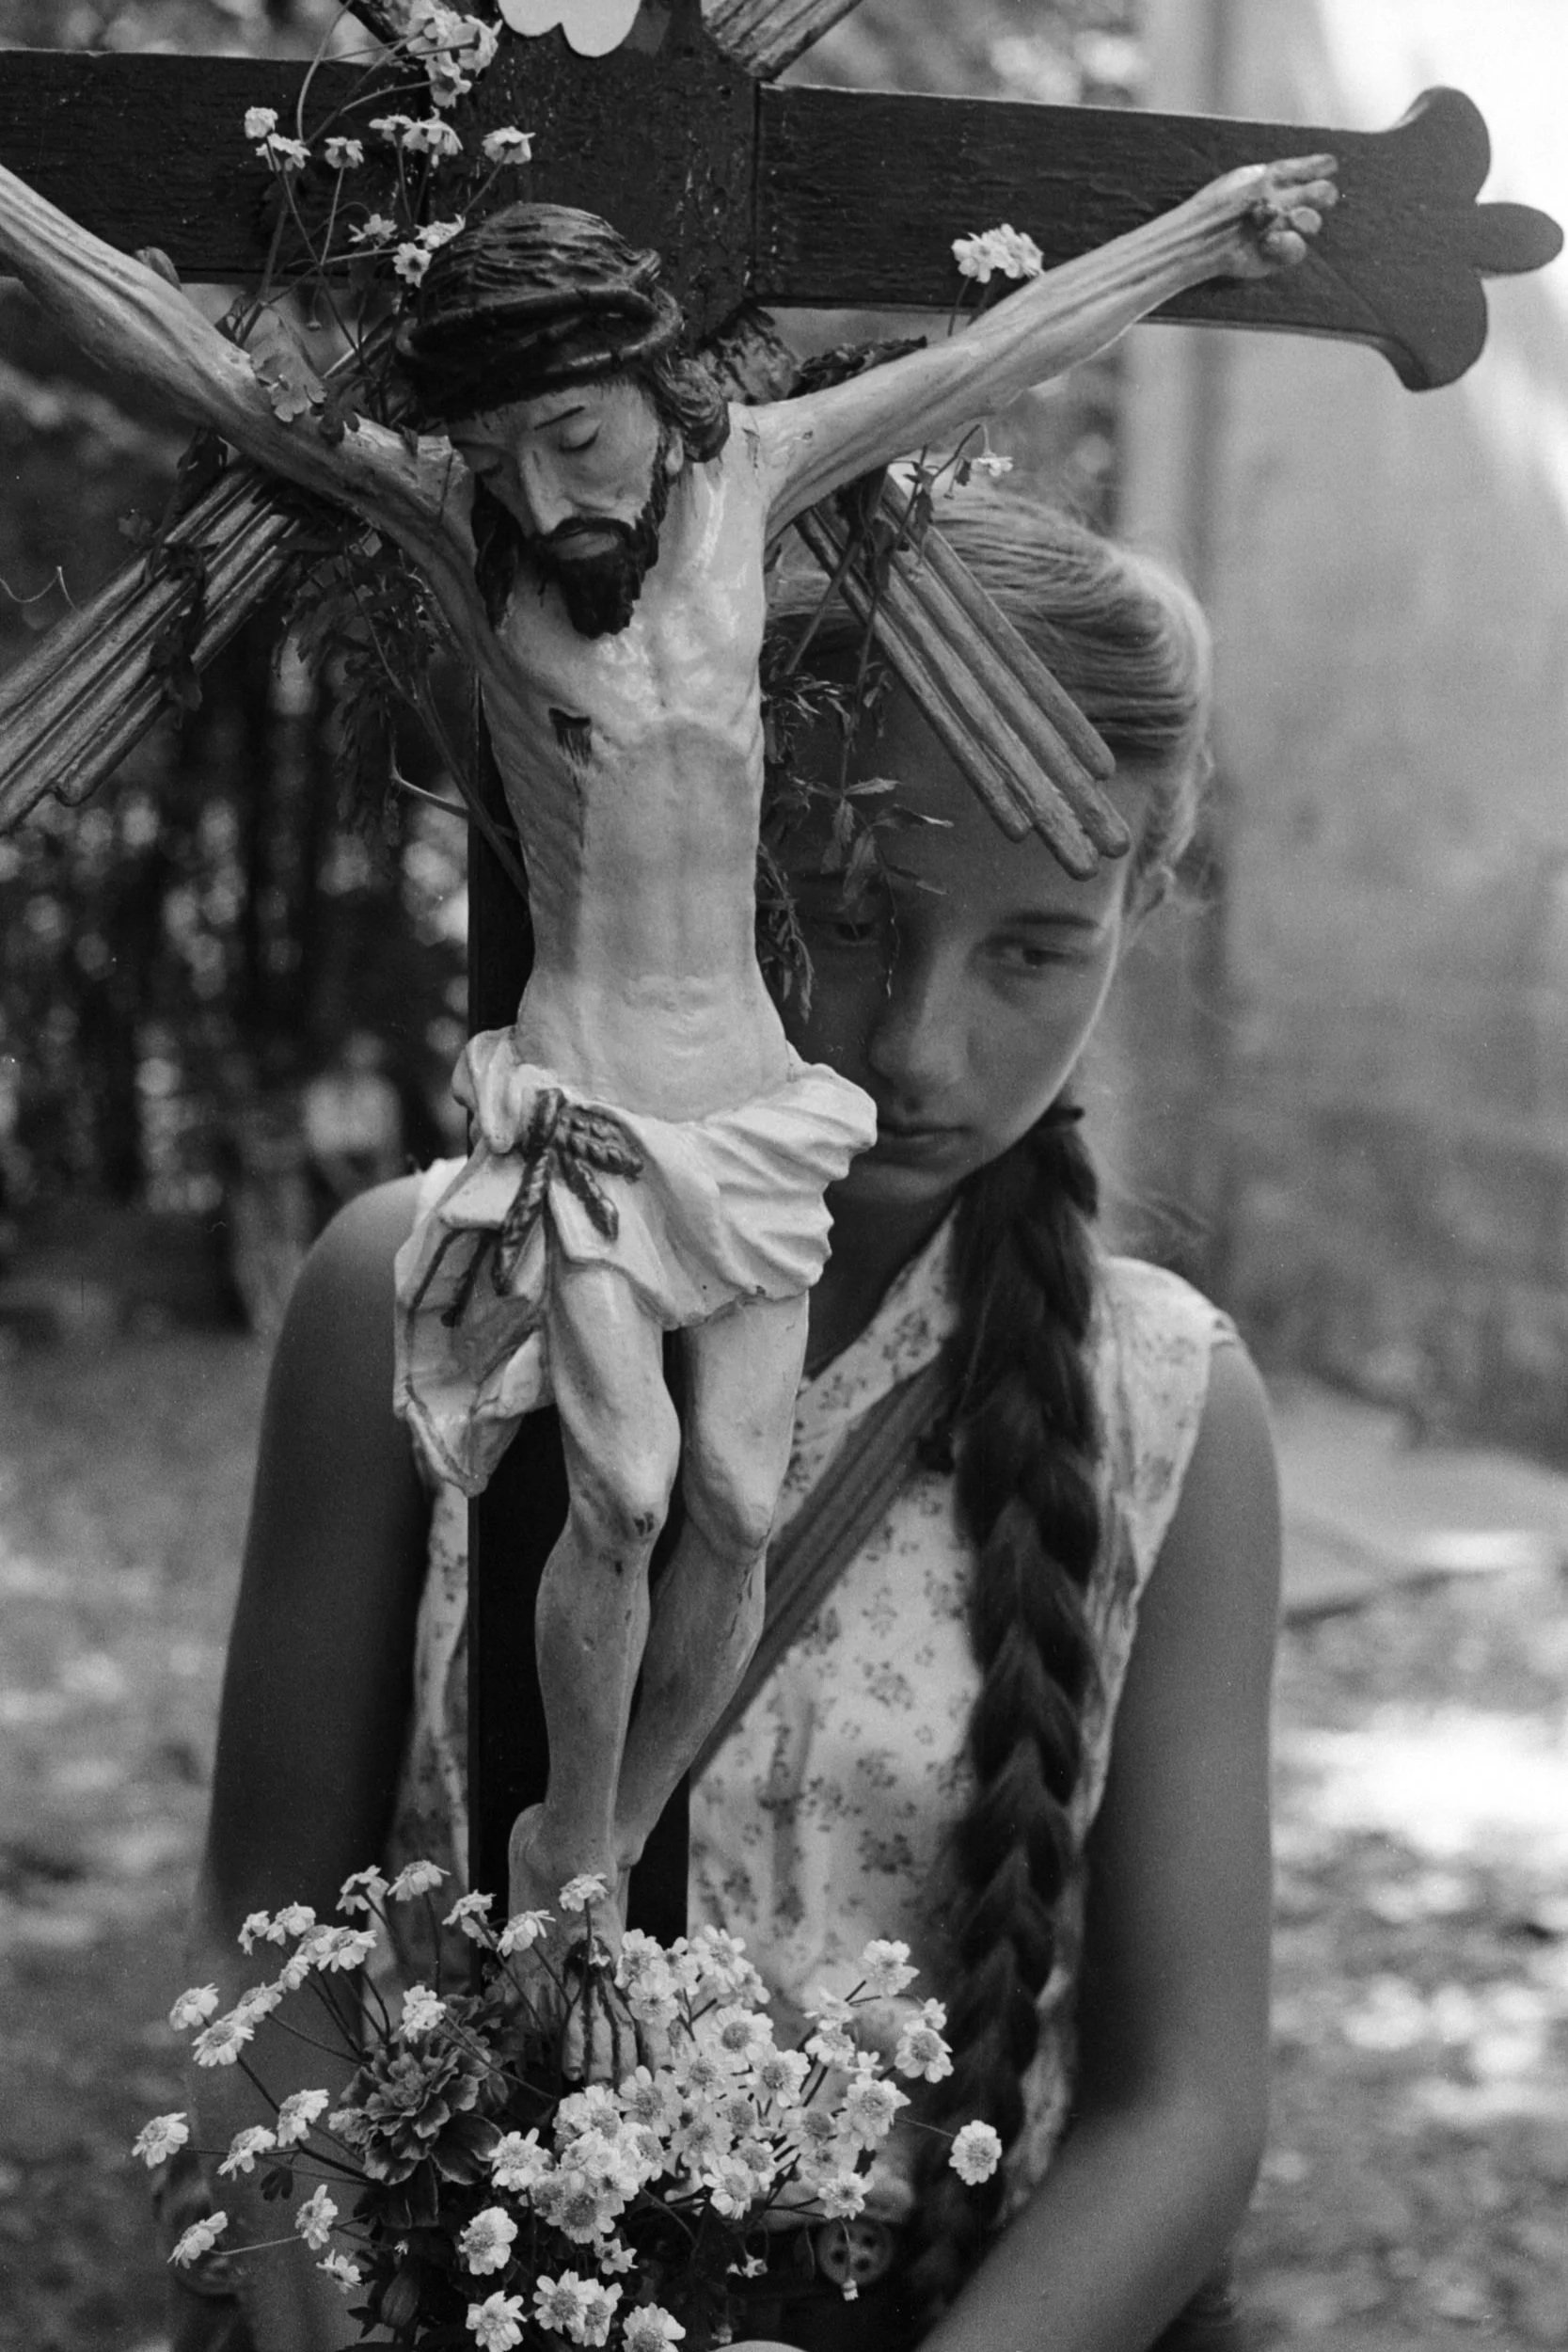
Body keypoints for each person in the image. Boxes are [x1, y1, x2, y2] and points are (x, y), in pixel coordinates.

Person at [0, 157, 1326, 1947]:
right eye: (846, 915)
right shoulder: (460, 535)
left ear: (652, 383)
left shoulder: (762, 480)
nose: (549, 496)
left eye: (575, 437)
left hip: (746, 1122)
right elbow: (204, 371)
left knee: (729, 1504)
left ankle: (600, 1840)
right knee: (622, 1492)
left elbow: (997, 350)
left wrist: (1205, 227)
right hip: (590, 1130)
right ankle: (577, 1853)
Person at [171, 490, 1281, 2352]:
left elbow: (1183, 2109)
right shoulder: (422, 1293)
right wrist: (319, 2308)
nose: (919, 1047)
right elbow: (260, 1935)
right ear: (726, 850)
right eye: (851, 915)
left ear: (1139, 908)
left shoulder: (1169, 1402)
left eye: (1035, 949)